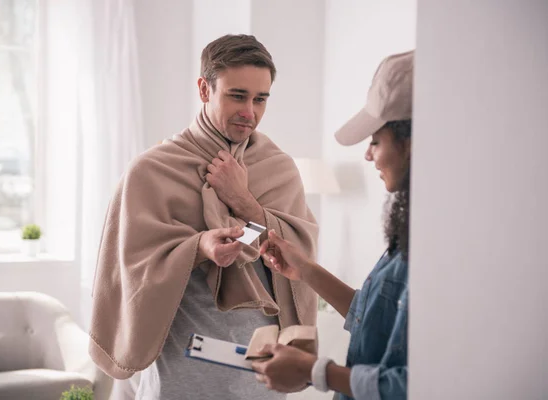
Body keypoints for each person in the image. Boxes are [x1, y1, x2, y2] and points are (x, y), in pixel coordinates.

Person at [89, 34, 319, 400]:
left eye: (261, 99)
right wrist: (198, 247)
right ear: (204, 88)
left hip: (260, 363)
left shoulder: (279, 169)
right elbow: (127, 266)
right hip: (181, 359)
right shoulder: (151, 170)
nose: (250, 112)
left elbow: (299, 253)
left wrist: (243, 200)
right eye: (237, 95)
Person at [252, 50, 414, 400]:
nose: (369, 155)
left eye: (375, 141)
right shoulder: (411, 231)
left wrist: (314, 372)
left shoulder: (444, 247)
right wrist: (305, 269)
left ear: (412, 144)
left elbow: (412, 385)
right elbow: (373, 318)